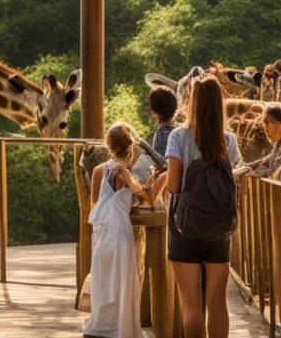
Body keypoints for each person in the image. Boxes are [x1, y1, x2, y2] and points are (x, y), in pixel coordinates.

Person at [165, 76, 247, 338]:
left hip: (183, 225)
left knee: (191, 304)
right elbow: (232, 181)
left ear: (193, 102)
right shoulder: (229, 139)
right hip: (220, 226)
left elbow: (174, 185)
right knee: (217, 302)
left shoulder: (178, 136)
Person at [83, 122, 148, 338]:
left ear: (109, 147)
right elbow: (139, 191)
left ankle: (101, 325)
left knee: (103, 279)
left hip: (101, 230)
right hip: (120, 230)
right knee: (123, 280)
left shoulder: (98, 171)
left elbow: (95, 202)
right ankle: (121, 328)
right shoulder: (126, 173)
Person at [132, 85, 177, 182]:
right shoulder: (181, 129)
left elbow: (164, 166)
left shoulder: (161, 133)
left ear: (154, 112)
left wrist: (145, 147)